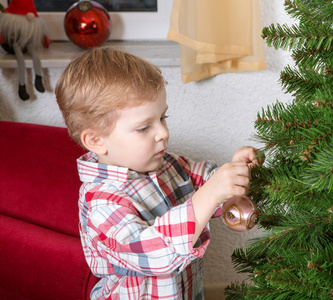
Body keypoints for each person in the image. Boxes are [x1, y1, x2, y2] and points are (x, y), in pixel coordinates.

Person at [55, 47, 263, 300]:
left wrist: (233, 173)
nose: (163, 133)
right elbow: (157, 255)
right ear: (97, 141)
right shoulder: (101, 200)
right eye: (144, 127)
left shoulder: (167, 164)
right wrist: (209, 195)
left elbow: (208, 182)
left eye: (163, 118)